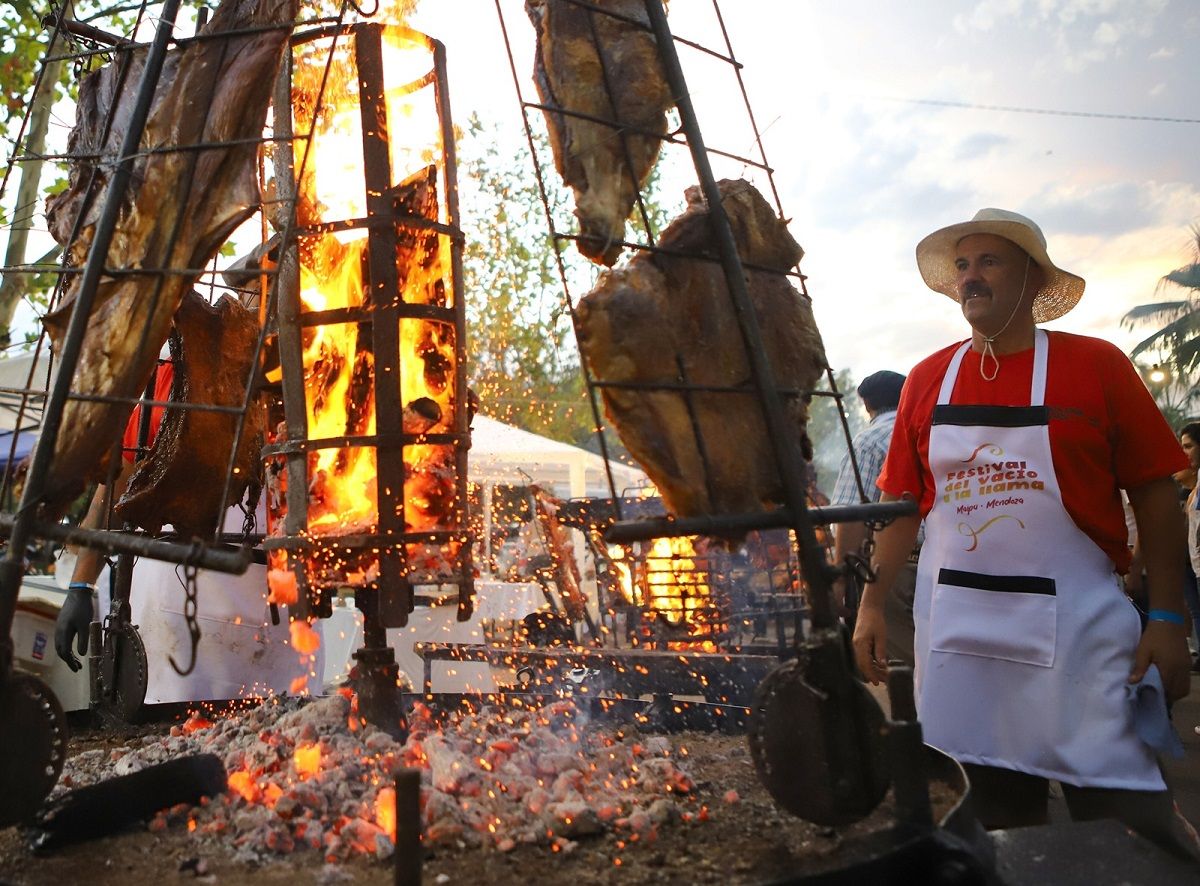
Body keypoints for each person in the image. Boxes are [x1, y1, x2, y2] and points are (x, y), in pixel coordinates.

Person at [851, 208, 1198, 859]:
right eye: (962, 265)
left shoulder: (1095, 365)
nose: (971, 278)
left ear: (1034, 279)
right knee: (992, 820)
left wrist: (1168, 618)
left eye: (989, 261)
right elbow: (901, 507)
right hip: (959, 633)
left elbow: (1157, 497)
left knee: (1128, 815)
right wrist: (871, 604)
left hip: (1079, 628)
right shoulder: (928, 378)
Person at [54, 359, 174, 672]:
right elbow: (114, 490)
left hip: (278, 623)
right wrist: (79, 587)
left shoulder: (311, 383)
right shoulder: (173, 377)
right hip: (170, 624)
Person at [829, 370, 917, 665]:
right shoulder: (929, 431)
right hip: (947, 562)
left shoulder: (868, 442)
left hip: (896, 570)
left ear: (867, 405)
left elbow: (850, 515)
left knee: (907, 668)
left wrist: (839, 579)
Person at [1176, 423, 1200, 670]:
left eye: (1189, 446)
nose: (1184, 453)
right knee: (1194, 609)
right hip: (1190, 559)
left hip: (1195, 559)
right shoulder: (1189, 492)